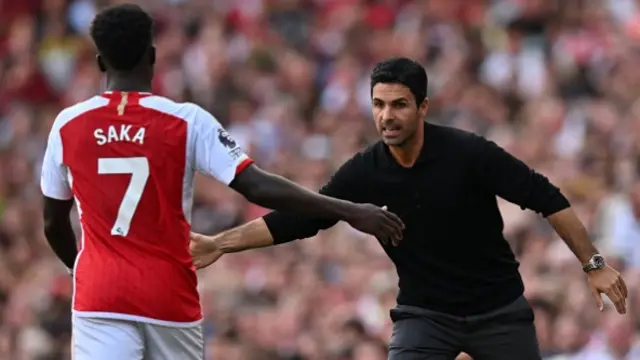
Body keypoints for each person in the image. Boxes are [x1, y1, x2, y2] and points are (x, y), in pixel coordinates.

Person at [189, 57, 629, 360]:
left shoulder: (469, 154)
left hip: (499, 311)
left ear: (423, 107)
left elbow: (547, 198)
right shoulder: (364, 170)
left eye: (399, 104)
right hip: (425, 315)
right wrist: (220, 244)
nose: (387, 116)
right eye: (378, 105)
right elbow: (300, 219)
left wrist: (593, 264)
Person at [39, 4, 403, 360]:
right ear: (152, 56)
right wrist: (349, 210)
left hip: (99, 297)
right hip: (167, 294)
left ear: (100, 61)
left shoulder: (68, 125)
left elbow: (53, 222)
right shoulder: (185, 121)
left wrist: (80, 267)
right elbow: (258, 187)